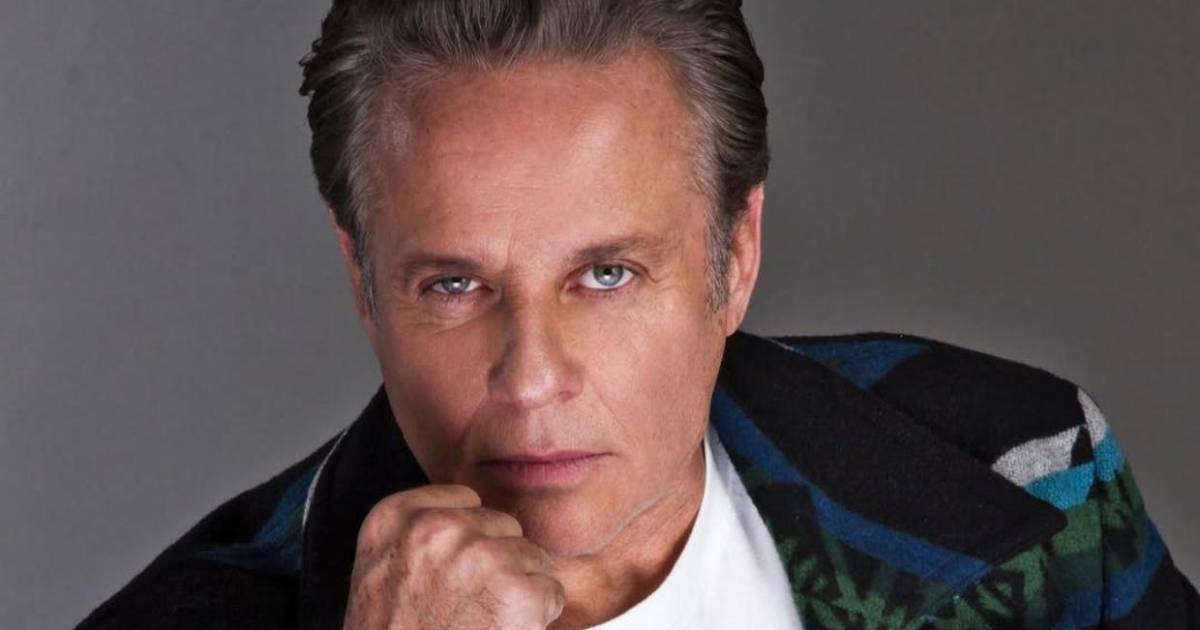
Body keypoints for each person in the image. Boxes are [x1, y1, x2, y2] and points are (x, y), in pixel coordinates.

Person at [77, 1, 1198, 628]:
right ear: (365, 284)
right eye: (454, 285)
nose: (531, 379)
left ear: (735, 257)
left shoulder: (1029, 477)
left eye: (607, 274)